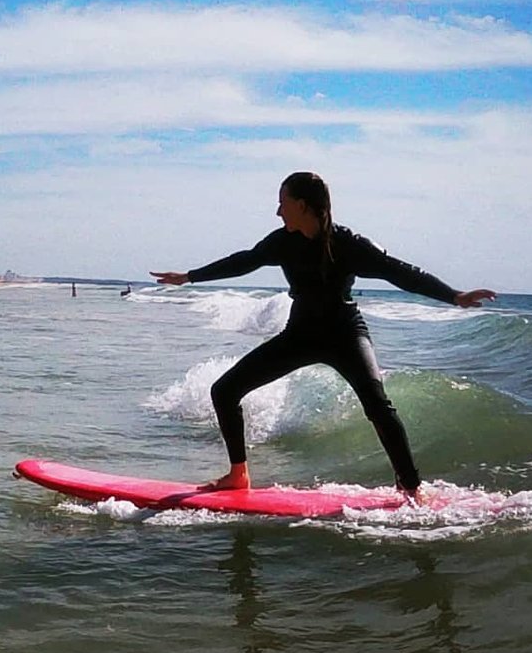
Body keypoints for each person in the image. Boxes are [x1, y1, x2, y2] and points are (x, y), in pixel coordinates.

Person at [151, 171, 496, 503]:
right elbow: (244, 261)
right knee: (224, 390)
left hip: (345, 332)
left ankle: (410, 487)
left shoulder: (349, 245)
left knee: (378, 405)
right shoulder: (282, 241)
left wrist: (454, 296)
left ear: (302, 205)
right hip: (300, 333)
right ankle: (238, 475)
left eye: (282, 202)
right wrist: (189, 277)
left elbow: (401, 273)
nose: (277, 210)